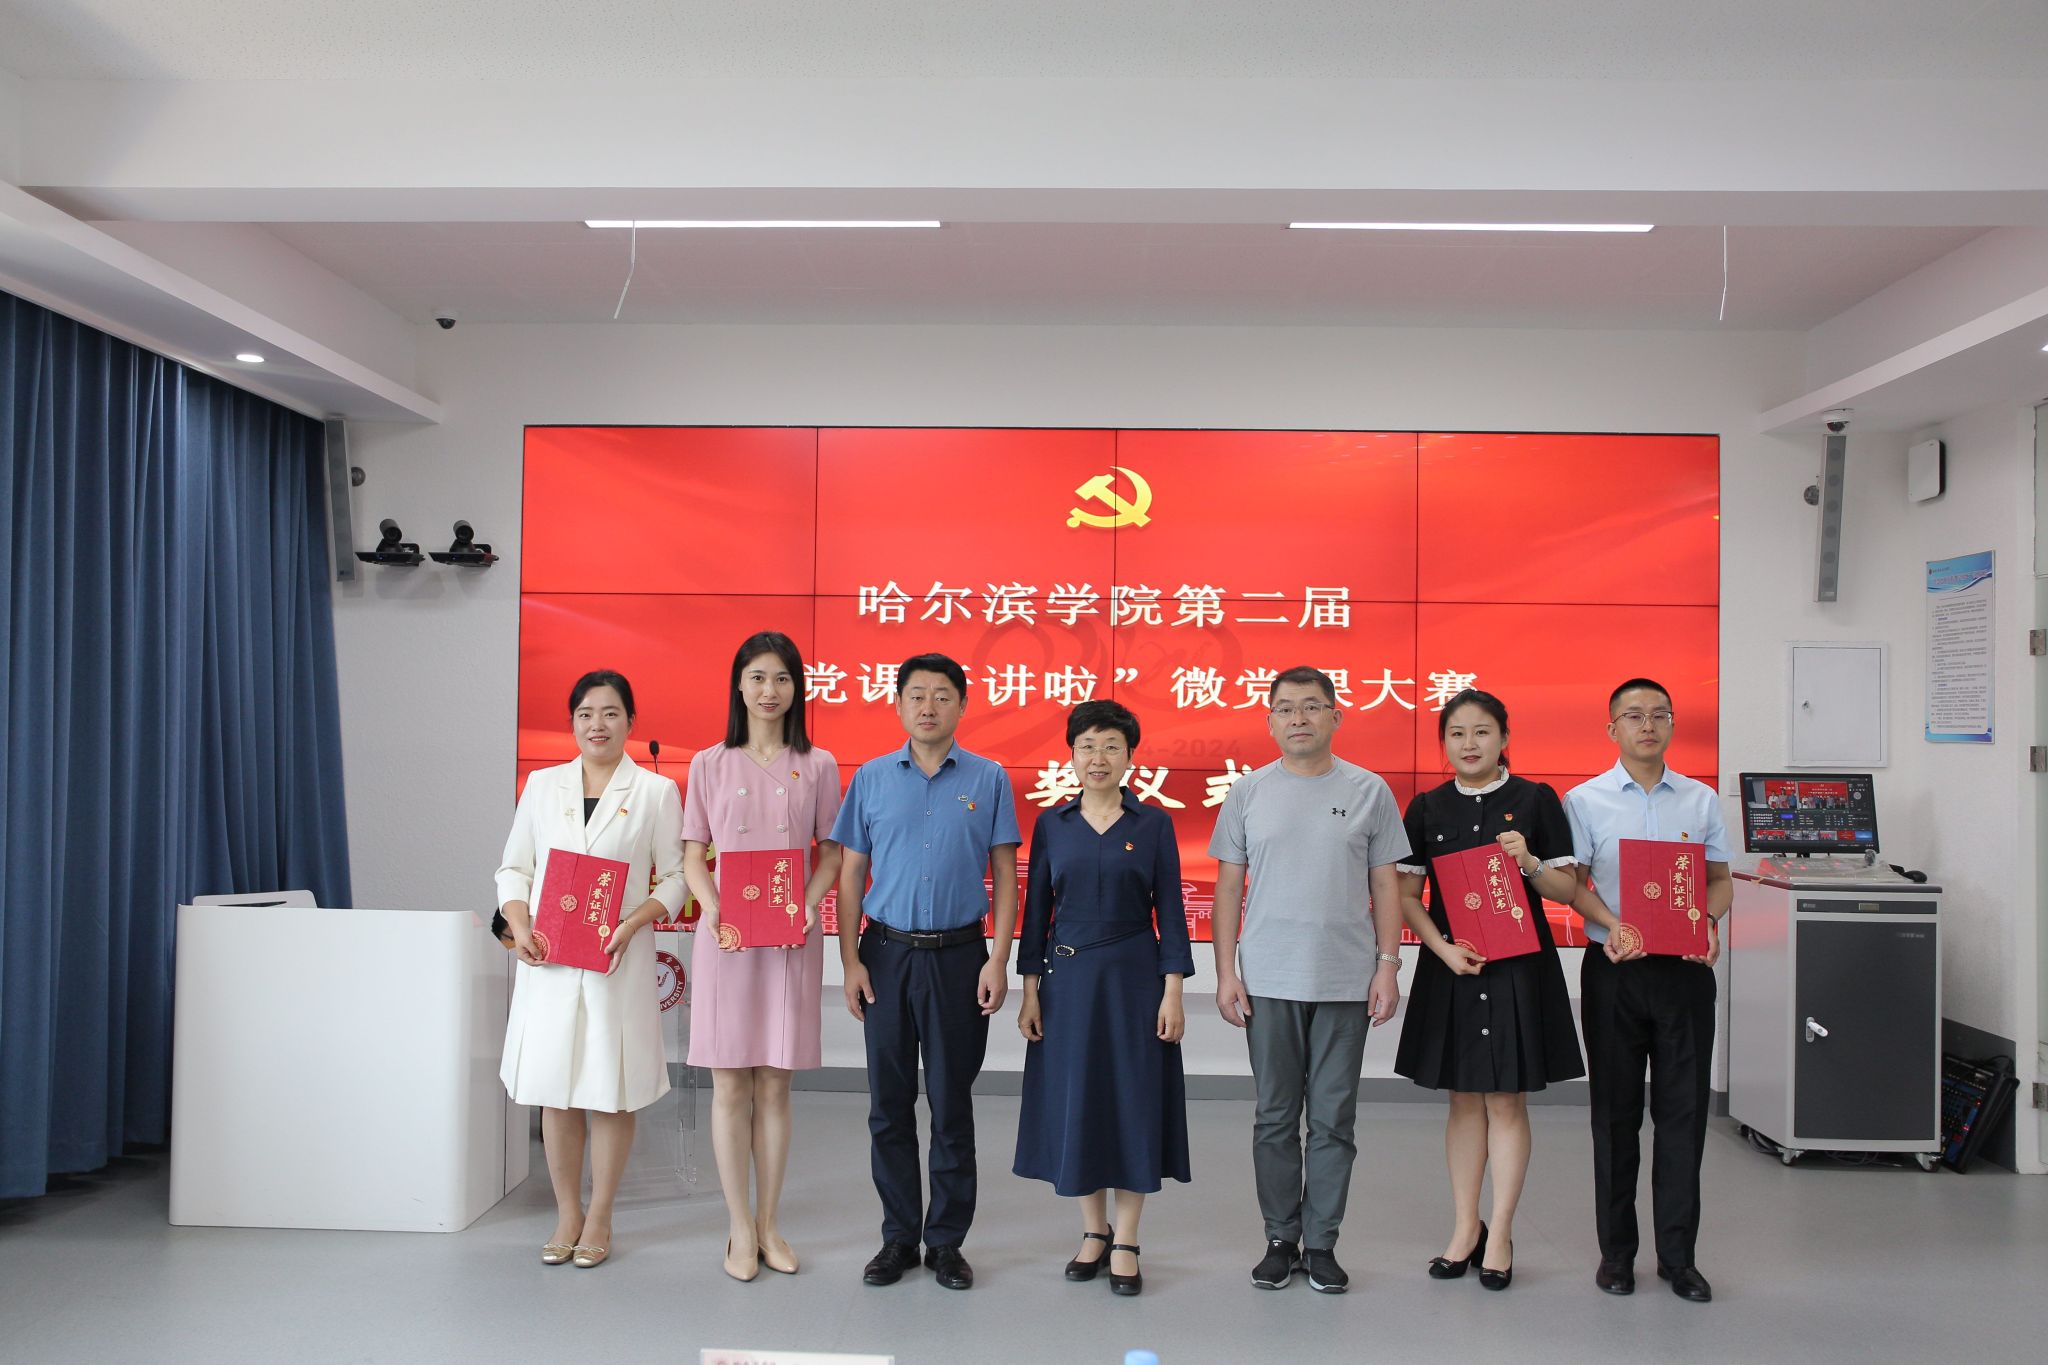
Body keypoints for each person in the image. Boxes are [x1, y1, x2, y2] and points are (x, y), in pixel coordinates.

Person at [1209, 665, 1410, 1294]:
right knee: (1274, 1117)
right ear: (1270, 720)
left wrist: (1387, 966)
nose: (1299, 718)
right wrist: (1225, 972)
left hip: (1345, 980)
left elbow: (1386, 885)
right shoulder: (1248, 791)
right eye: (1286, 708)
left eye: (1312, 706)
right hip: (1268, 979)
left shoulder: (1370, 789)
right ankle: (1279, 1238)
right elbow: (1228, 887)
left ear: (1335, 716)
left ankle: (1321, 1243)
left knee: (1332, 1120)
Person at [833, 653, 1021, 1291]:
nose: (928, 706)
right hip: (886, 955)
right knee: (888, 1105)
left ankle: (945, 1242)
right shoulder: (871, 779)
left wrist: (998, 957)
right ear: (898, 704)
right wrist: (851, 960)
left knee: (951, 1103)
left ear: (962, 705)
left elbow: (1004, 875)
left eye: (942, 695)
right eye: (916, 695)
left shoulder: (989, 778)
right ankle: (897, 1238)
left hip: (961, 958)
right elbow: (851, 875)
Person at [1392, 689, 1585, 1291]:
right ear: (1444, 743)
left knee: (1505, 1100)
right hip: (1453, 966)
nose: (1469, 744)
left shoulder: (1535, 799)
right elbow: (1407, 896)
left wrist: (1529, 861)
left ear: (1504, 739)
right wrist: (1442, 948)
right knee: (1461, 1099)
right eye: (1457, 734)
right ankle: (1464, 1228)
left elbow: (1568, 890)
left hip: (1518, 969)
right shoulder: (1427, 807)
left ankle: (1499, 1232)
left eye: (1481, 732)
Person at [495, 669, 685, 1269]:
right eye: (585, 714)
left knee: (610, 1091)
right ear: (572, 722)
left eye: (609, 713)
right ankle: (566, 1214)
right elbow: (514, 869)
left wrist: (635, 923)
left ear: (630, 721)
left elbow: (677, 877)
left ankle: (600, 1216)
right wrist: (520, 924)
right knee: (556, 1090)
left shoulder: (655, 791)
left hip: (615, 957)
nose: (597, 724)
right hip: (549, 956)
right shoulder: (542, 785)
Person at [1014, 699, 1193, 1297]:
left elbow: (1171, 913)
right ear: (1071, 755)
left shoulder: (1153, 825)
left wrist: (1173, 991)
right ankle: (1093, 1231)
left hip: (1136, 982)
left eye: (1111, 746)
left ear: (1129, 756)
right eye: (1087, 746)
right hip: (1067, 984)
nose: (1098, 757)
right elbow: (1037, 913)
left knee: (1133, 1101)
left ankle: (1128, 1238)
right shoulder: (1052, 825)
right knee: (1079, 1101)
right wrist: (1030, 990)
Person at [681, 632, 844, 1282]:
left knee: (775, 1081)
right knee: (729, 1082)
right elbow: (693, 854)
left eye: (781, 678)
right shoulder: (708, 763)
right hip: (726, 937)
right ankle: (739, 1227)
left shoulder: (820, 764)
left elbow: (829, 851)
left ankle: (770, 1222)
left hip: (789, 935)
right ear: (738, 686)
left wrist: (809, 901)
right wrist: (711, 905)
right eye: (757, 677)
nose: (769, 690)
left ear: (797, 687)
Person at [1564, 678, 1731, 1304]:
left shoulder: (1700, 800)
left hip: (1684, 973)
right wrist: (1612, 925)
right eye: (1633, 716)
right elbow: (1574, 884)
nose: (1647, 725)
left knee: (1683, 1115)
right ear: (1612, 728)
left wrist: (1708, 921)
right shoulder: (1585, 800)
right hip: (1616, 969)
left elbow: (1719, 881)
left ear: (1672, 724)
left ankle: (1679, 1259)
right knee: (1615, 1116)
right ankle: (1617, 1255)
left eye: (1659, 714)